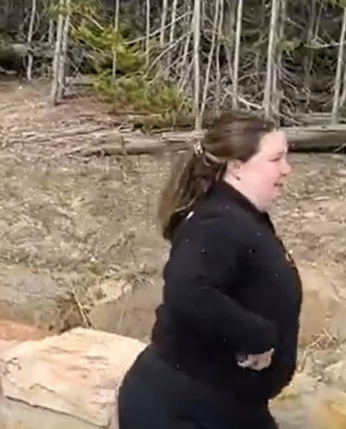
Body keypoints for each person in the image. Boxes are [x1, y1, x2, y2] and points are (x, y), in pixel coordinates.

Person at [116, 111, 303, 429]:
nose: (287, 169)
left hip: (225, 403)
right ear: (237, 166)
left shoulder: (241, 216)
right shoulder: (216, 223)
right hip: (179, 409)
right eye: (276, 159)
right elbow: (187, 291)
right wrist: (258, 337)